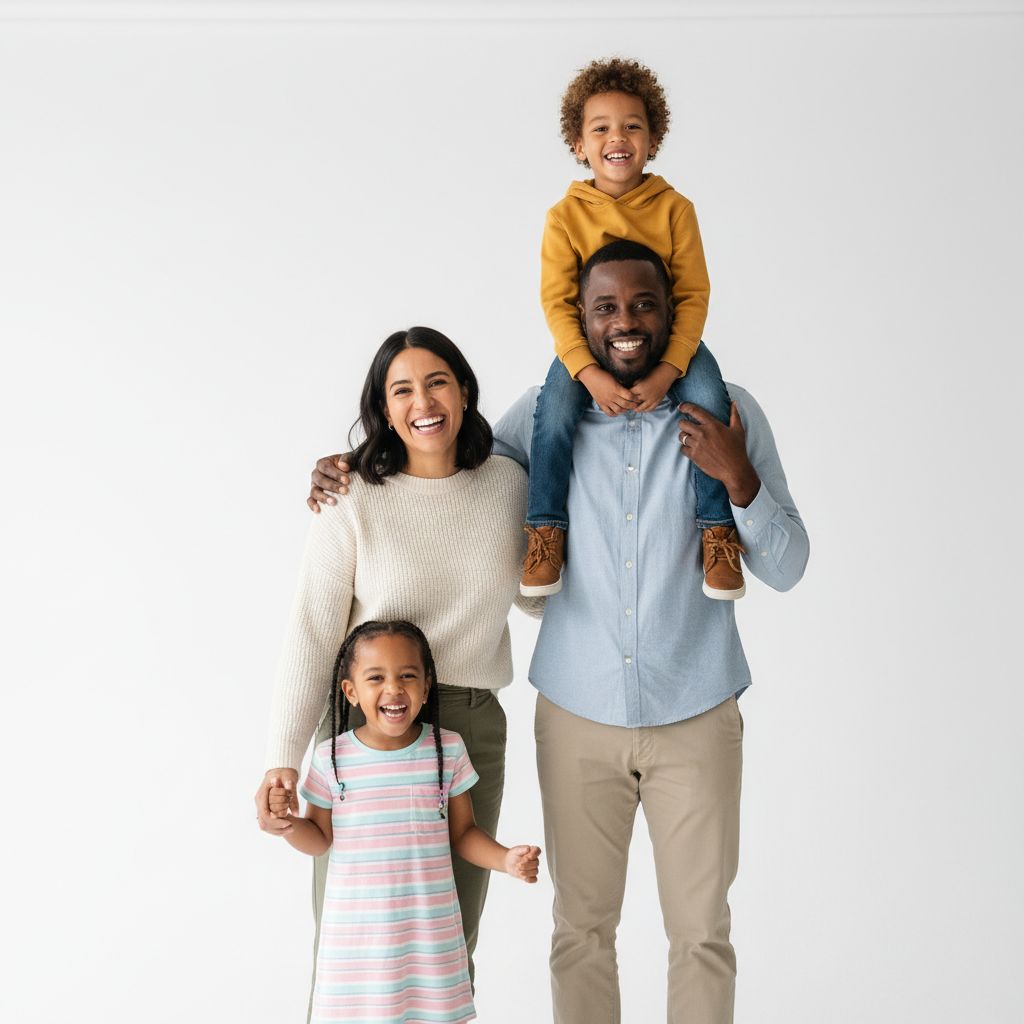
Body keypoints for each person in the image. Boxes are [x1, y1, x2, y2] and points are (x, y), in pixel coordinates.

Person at [310, 240, 809, 1024]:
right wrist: (355, 461)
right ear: (579, 320)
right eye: (605, 307)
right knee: (580, 931)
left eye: (644, 303)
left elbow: (790, 566)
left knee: (702, 932)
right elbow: (446, 463)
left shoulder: (729, 408)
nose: (627, 323)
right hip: (576, 714)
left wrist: (738, 476)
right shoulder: (544, 416)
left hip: (700, 707)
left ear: (673, 311)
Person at [256, 326, 544, 1007]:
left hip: (469, 723)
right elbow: (312, 631)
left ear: (466, 392)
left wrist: (554, 549)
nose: (424, 401)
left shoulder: (507, 484)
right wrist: (282, 758)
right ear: (385, 410)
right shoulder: (353, 494)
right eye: (402, 389)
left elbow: (535, 598)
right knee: (351, 948)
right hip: (364, 730)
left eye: (438, 381)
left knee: (451, 944)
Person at [523, 56, 744, 602]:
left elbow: (692, 294)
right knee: (550, 416)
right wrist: (587, 374)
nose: (616, 138)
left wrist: (671, 370)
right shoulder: (564, 217)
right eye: (600, 128)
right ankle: (546, 530)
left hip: (671, 346)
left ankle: (717, 532)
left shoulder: (675, 209)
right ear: (579, 143)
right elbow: (556, 302)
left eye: (631, 126)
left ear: (652, 139)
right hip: (589, 353)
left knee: (710, 401)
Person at [269, 619, 540, 1024]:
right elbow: (319, 838)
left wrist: (505, 859)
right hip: (357, 946)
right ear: (351, 691)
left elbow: (463, 833)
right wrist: (289, 824)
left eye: (407, 676)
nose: (393, 689)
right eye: (376, 677)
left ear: (426, 687)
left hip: (427, 941)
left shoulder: (447, 749)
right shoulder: (331, 758)